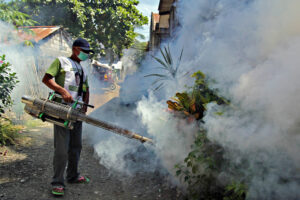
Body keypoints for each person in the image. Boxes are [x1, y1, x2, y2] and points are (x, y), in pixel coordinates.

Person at [42, 38, 94, 196]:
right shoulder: (61, 61)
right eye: (85, 52)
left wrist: (85, 106)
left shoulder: (83, 69)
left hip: (76, 112)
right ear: (76, 49)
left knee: (76, 146)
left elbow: (86, 90)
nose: (86, 55)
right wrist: (62, 92)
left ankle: (73, 175)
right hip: (61, 110)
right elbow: (47, 79)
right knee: (62, 149)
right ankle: (57, 182)